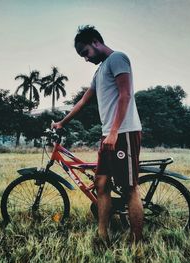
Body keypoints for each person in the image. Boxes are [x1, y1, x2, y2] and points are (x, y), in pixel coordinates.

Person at [52, 25, 143, 244]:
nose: (85, 58)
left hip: (124, 132)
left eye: (85, 53)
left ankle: (136, 240)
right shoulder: (100, 70)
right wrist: (62, 122)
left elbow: (126, 94)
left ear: (95, 42)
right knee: (101, 184)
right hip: (108, 135)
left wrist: (113, 132)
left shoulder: (118, 59)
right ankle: (102, 235)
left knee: (129, 189)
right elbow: (84, 100)